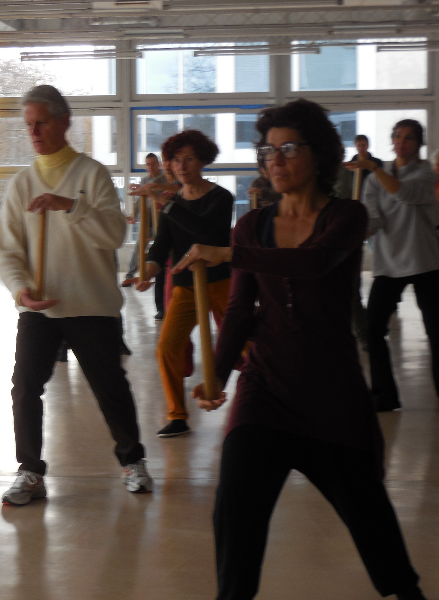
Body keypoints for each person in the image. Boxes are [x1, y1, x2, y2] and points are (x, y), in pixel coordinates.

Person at [175, 99, 427, 600]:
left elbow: (312, 263)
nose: (276, 159)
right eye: (269, 150)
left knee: (369, 514)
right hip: (264, 390)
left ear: (320, 154)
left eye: (289, 148)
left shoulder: (347, 216)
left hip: (331, 395)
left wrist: (230, 253)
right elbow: (241, 311)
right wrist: (217, 374)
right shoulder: (252, 225)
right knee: (235, 509)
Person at [0, 85, 152, 505]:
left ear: (64, 121)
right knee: (25, 386)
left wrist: (71, 206)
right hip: (40, 308)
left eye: (41, 123)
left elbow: (114, 234)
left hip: (92, 306)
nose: (33, 132)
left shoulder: (91, 174)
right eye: (28, 125)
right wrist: (20, 289)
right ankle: (30, 470)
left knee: (109, 387)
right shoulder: (22, 184)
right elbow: (7, 249)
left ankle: (133, 460)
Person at [130, 130, 234, 438]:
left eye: (188, 159)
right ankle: (177, 415)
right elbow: (161, 247)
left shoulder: (220, 197)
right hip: (185, 288)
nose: (181, 166)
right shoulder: (172, 203)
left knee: (245, 345)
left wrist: (167, 205)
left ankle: (260, 402)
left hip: (221, 283)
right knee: (167, 348)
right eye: (176, 160)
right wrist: (147, 271)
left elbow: (205, 231)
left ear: (202, 161)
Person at [355, 119, 439, 411]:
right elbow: (375, 219)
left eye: (408, 138)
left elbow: (402, 192)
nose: (401, 142)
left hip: (425, 261)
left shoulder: (425, 173)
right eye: (397, 136)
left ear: (419, 143)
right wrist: (355, 233)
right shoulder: (374, 179)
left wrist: (375, 168)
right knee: (374, 329)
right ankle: (384, 396)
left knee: (436, 331)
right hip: (389, 263)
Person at [123, 153, 180, 319]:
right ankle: (161, 308)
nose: (167, 166)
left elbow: (180, 193)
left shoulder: (173, 182)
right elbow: (141, 200)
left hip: (176, 234)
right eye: (147, 164)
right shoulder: (146, 181)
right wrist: (145, 276)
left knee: (172, 269)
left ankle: (167, 308)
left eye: (154, 163)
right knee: (154, 258)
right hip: (156, 222)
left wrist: (155, 190)